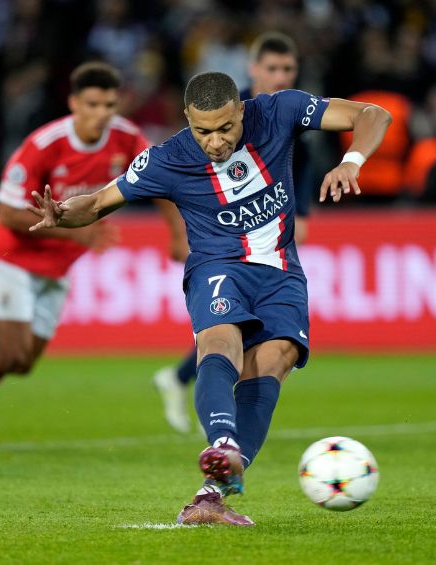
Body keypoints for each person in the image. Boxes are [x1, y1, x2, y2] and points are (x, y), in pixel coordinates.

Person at [28, 71, 391, 525]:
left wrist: (353, 160)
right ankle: (222, 442)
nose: (215, 142)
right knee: (220, 342)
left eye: (225, 128)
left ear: (241, 110)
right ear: (187, 120)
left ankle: (209, 498)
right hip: (218, 267)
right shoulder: (167, 159)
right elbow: (100, 201)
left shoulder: (278, 111)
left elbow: (373, 114)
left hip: (281, 270)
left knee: (276, 359)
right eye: (203, 131)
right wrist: (62, 213)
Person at [0, 62, 177, 450]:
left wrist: (176, 231)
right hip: (17, 258)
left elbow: (160, 176)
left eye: (109, 105)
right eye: (93, 104)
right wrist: (76, 228)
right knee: (10, 351)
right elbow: (9, 213)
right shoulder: (43, 145)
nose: (101, 113)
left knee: (23, 362)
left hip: (60, 267)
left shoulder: (125, 137)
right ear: (73, 103)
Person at [152, 32, 313, 434]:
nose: (280, 76)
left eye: (288, 69)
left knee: (257, 344)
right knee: (227, 336)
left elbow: (299, 164)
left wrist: (302, 210)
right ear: (253, 70)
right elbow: (180, 171)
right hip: (222, 253)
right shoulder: (220, 109)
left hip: (269, 248)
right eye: (272, 68)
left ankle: (216, 423)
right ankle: (206, 409)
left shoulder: (288, 113)